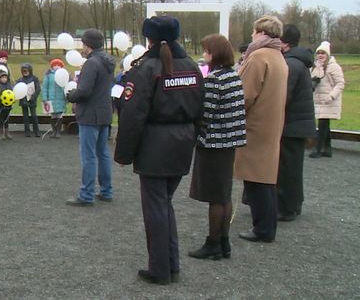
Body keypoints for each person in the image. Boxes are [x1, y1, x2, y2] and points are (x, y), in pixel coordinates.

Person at [114, 16, 203, 285]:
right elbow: (201, 109)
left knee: (155, 208)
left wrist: (124, 154)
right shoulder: (192, 67)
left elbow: (133, 115)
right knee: (165, 204)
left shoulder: (146, 68)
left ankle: (159, 269)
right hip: (182, 141)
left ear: (148, 39)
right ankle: (171, 264)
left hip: (154, 143)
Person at [188, 34, 246, 260]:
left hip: (213, 144)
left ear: (214, 53)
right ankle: (224, 241)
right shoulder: (233, 76)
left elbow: (205, 114)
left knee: (215, 196)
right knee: (224, 194)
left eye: (206, 50)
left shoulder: (214, 79)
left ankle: (213, 243)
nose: (204, 54)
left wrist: (194, 135)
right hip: (229, 143)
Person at [235, 15, 288, 244]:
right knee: (266, 179)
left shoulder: (258, 57)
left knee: (256, 179)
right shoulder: (278, 57)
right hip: (271, 123)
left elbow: (244, 94)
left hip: (255, 125)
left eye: (254, 32)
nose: (251, 36)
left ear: (261, 33)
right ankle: (267, 226)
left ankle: (262, 228)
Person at [66, 29, 115, 206]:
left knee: (88, 155)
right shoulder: (108, 62)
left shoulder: (91, 64)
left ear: (88, 45)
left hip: (90, 114)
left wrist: (71, 95)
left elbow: (85, 91)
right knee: (102, 153)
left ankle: (86, 194)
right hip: (105, 112)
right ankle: (106, 191)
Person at [277, 25, 316, 221]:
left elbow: (284, 96)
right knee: (292, 167)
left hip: (292, 125)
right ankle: (293, 205)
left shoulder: (291, 64)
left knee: (287, 169)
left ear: (284, 43)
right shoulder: (299, 62)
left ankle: (287, 208)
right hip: (298, 124)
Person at [310, 41, 345, 158]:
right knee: (325, 125)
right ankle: (328, 149)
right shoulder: (315, 67)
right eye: (318, 53)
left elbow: (340, 83)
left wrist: (331, 96)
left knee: (322, 124)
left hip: (329, 100)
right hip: (319, 100)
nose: (320, 55)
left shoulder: (333, 67)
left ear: (328, 55)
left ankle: (318, 149)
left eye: (323, 53)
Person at [42, 59, 67, 138]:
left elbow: (66, 86)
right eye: (55, 65)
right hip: (51, 99)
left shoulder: (64, 75)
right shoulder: (48, 75)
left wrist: (67, 98)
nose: (56, 67)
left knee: (59, 115)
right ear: (52, 66)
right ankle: (53, 131)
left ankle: (58, 131)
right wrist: (45, 98)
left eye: (58, 65)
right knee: (53, 116)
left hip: (60, 99)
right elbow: (45, 87)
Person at [17, 63, 41, 137]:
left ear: (30, 71)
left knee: (34, 116)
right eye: (24, 71)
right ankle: (27, 131)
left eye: (27, 71)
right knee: (25, 117)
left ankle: (36, 131)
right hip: (23, 100)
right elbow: (17, 90)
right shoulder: (20, 80)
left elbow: (38, 89)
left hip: (32, 100)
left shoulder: (35, 78)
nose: (25, 72)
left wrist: (33, 97)